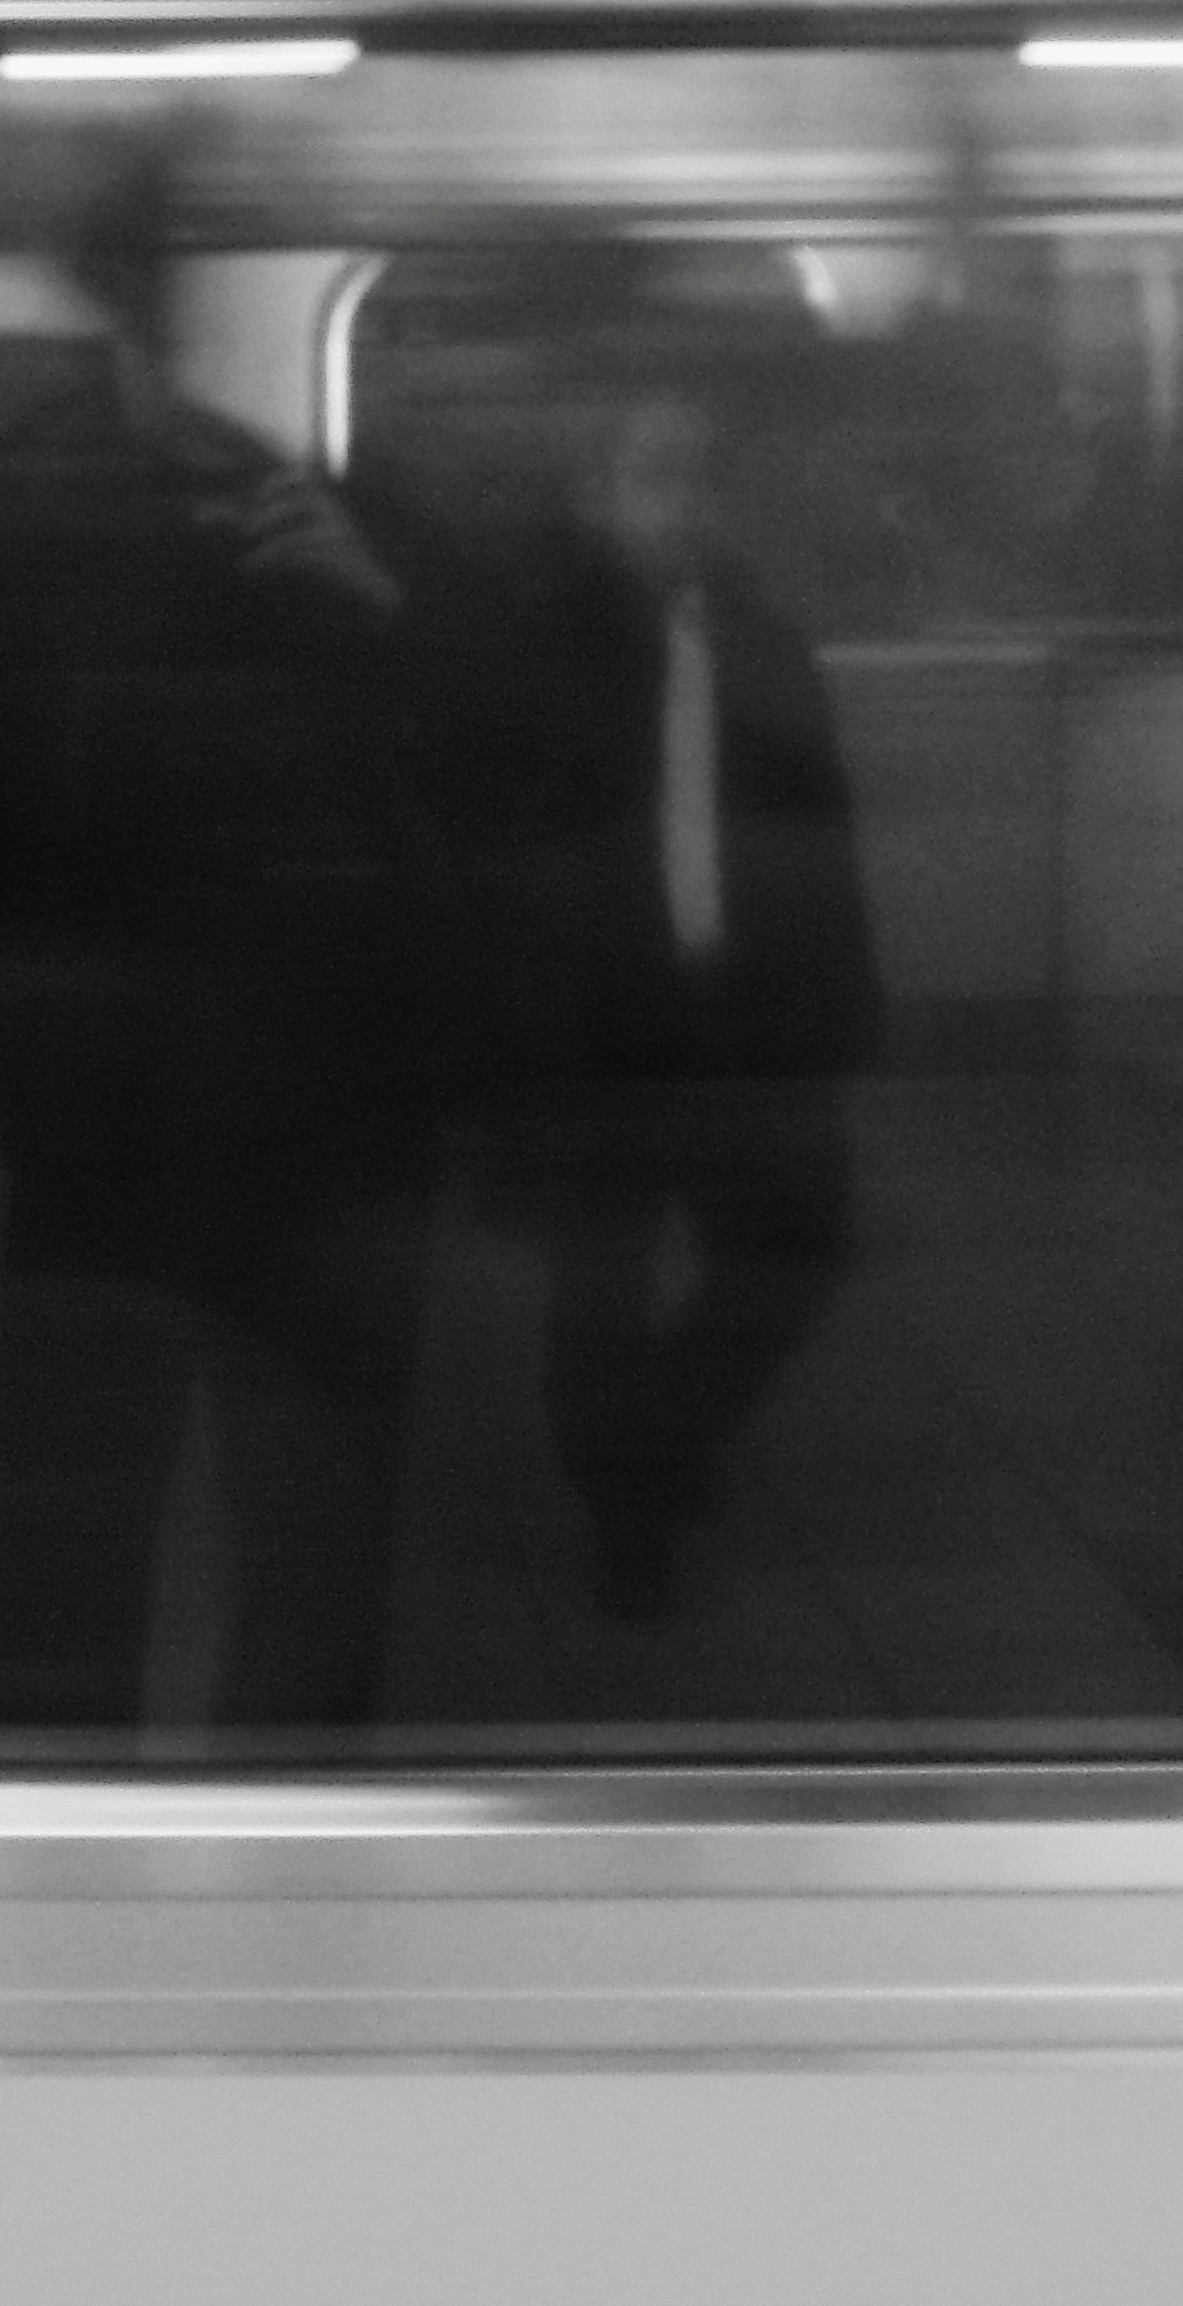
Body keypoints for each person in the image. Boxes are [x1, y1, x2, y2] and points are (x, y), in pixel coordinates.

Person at [0, 109, 455, 1738]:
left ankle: (167, 1844)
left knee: (187, 1510)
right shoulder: (45, 494)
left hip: (216, 1097)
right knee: (188, 1507)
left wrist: (378, 612)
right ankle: (156, 1831)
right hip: (174, 1091)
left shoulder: (324, 508)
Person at [495, 389, 881, 1621]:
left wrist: (841, 1004)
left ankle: (655, 1444)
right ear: (596, 491)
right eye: (649, 475)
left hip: (746, 1010)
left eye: (693, 475)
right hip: (601, 1022)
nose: (678, 503)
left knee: (792, 1253)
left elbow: (821, 832)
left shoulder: (759, 635)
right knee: (598, 1286)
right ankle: (630, 1518)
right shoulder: (542, 642)